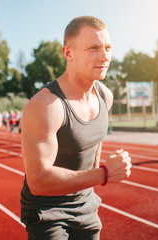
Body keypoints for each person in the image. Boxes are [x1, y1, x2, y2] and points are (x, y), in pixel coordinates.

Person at [20, 16, 132, 239]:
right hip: (47, 213)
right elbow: (38, 181)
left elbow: (94, 147)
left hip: (86, 205)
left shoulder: (104, 96)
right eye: (93, 48)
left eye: (107, 48)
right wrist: (104, 174)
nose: (104, 56)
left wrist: (106, 167)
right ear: (68, 53)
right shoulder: (46, 106)